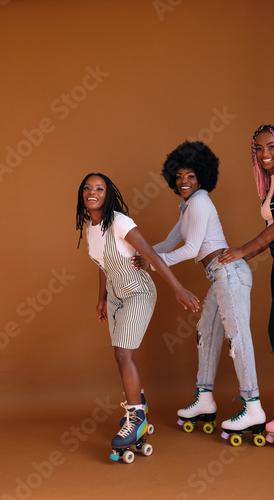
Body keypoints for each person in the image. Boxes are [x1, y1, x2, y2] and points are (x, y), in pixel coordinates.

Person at [132, 141, 266, 440]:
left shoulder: (201, 202)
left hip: (229, 273)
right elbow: (168, 244)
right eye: (179, 176)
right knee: (207, 333)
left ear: (201, 177)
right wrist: (139, 255)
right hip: (219, 276)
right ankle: (204, 399)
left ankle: (253, 404)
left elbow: (191, 248)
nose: (183, 181)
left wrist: (153, 264)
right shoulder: (188, 206)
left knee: (237, 337)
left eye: (190, 175)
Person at [76, 173, 199, 453]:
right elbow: (103, 264)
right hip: (116, 296)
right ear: (82, 195)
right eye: (87, 188)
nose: (92, 192)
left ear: (108, 195)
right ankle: (137, 403)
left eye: (99, 188)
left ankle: (136, 417)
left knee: (123, 353)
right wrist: (102, 298)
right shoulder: (90, 228)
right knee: (118, 354)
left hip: (138, 292)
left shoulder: (119, 222)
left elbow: (152, 256)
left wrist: (178, 289)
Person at [218, 124, 274, 441]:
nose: (265, 153)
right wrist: (244, 258)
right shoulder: (270, 184)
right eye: (259, 148)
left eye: (271, 147)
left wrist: (242, 250)